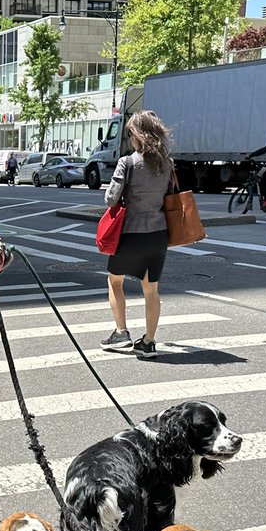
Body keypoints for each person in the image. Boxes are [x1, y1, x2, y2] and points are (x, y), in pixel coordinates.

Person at [99, 110, 174, 361]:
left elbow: (111, 199)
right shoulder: (168, 163)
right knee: (151, 289)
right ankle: (149, 342)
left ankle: (121, 333)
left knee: (115, 280)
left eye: (130, 133)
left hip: (130, 233)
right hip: (158, 234)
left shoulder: (128, 162)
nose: (129, 137)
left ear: (138, 135)